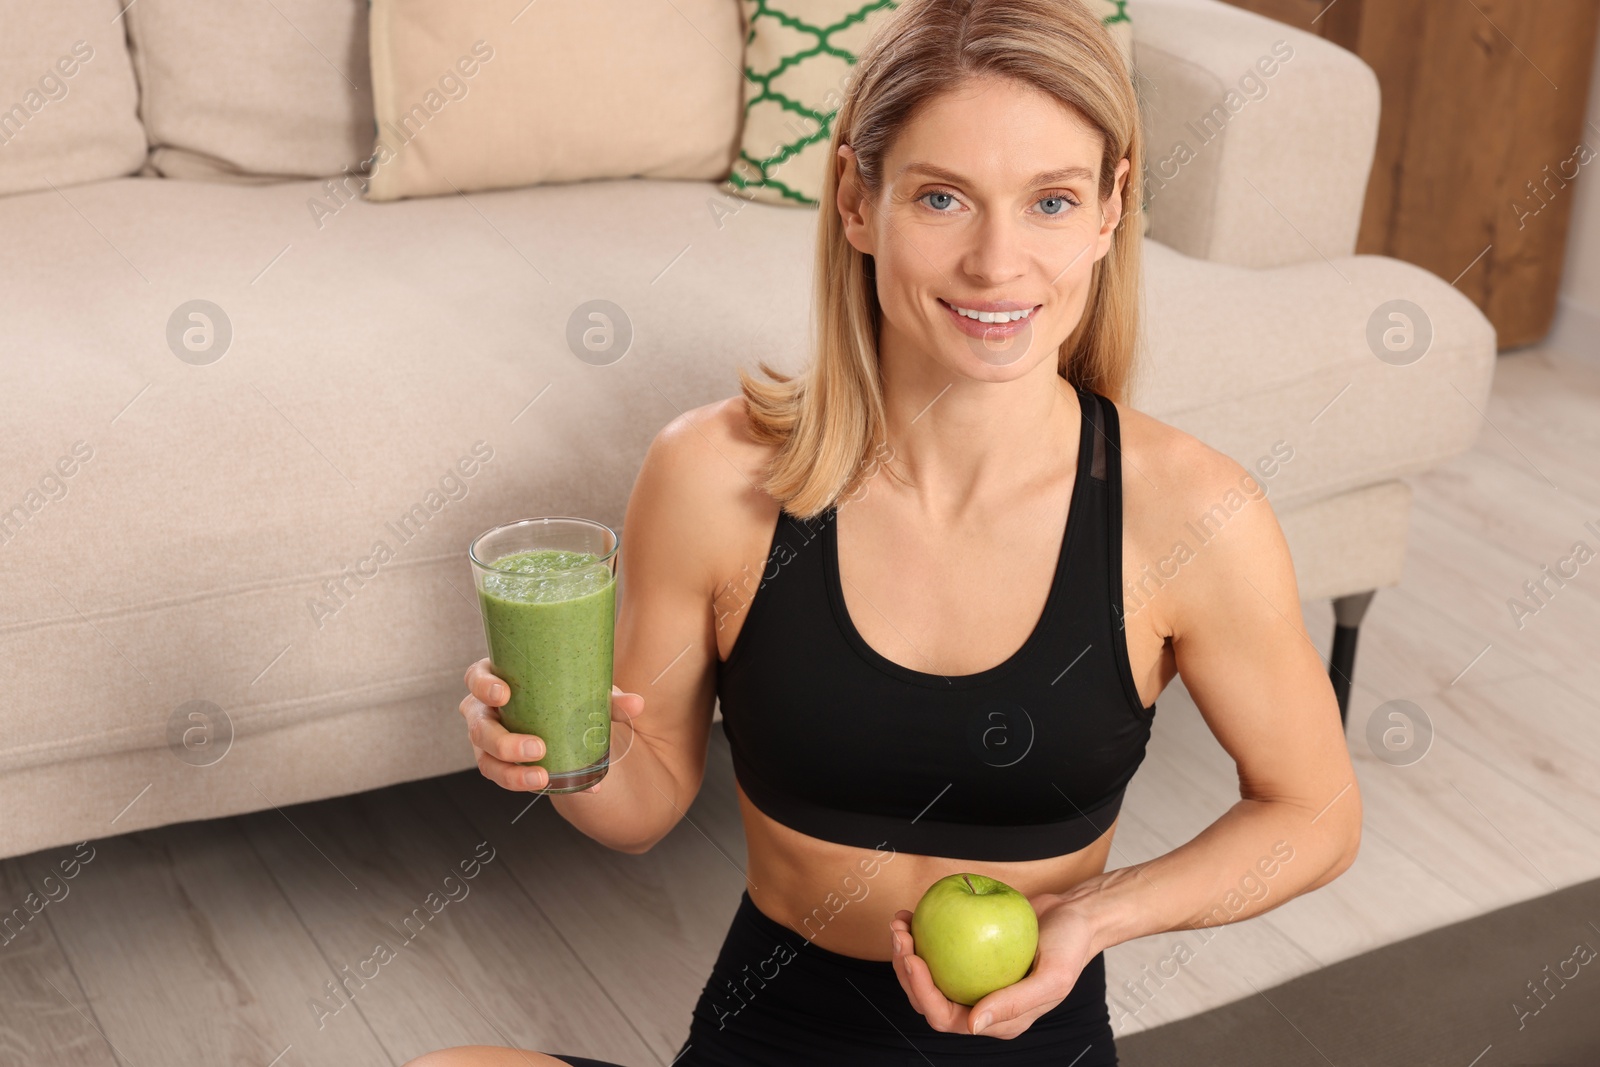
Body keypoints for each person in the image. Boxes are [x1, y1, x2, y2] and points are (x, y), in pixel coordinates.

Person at [408, 0, 1362, 1063]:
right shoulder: (711, 474)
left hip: (1028, 1037)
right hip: (773, 1027)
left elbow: (1314, 810)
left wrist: (1095, 916)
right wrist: (560, 758)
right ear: (856, 200)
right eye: (943, 197)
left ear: (1110, 209)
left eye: (1050, 200)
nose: (998, 263)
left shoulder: (1190, 512)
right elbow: (644, 802)